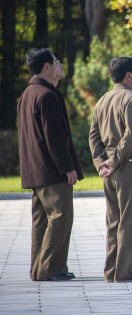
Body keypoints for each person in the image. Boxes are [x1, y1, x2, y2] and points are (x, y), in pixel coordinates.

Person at [18, 48, 84, 281]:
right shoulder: (46, 96)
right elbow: (54, 138)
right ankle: (52, 268)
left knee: (41, 222)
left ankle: (38, 269)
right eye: (57, 62)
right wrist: (68, 168)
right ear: (47, 67)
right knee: (61, 216)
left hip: (35, 171)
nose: (61, 66)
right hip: (52, 171)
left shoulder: (29, 93)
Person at [89, 57, 132, 282]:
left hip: (110, 170)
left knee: (114, 221)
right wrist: (114, 162)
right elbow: (130, 135)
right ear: (129, 76)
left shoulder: (102, 100)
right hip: (130, 166)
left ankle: (112, 270)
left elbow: (94, 136)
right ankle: (124, 271)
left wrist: (101, 163)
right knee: (131, 220)